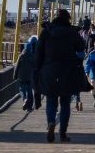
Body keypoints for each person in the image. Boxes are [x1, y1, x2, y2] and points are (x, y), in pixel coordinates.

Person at [35, 9, 86, 143]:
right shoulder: (72, 32)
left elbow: (38, 53)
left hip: (49, 71)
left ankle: (51, 122)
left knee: (51, 100)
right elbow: (81, 49)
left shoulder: (46, 32)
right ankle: (63, 133)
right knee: (65, 103)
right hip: (68, 71)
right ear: (68, 19)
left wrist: (38, 71)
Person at [14, 35, 38, 111]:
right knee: (30, 90)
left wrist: (15, 75)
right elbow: (35, 66)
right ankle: (29, 107)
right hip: (29, 76)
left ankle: (24, 99)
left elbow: (17, 66)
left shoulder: (21, 56)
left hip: (21, 76)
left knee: (22, 89)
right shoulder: (32, 56)